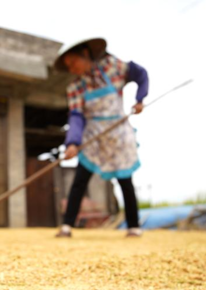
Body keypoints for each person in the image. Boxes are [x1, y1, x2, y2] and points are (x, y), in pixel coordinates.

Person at [53, 38, 149, 238]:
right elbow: (77, 117)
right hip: (93, 138)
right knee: (80, 180)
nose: (71, 69)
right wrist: (72, 142)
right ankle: (67, 226)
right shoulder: (76, 87)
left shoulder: (113, 67)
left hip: (118, 134)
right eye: (68, 67)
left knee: (124, 180)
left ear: (85, 54)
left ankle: (133, 226)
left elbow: (140, 74)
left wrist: (140, 99)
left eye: (73, 63)